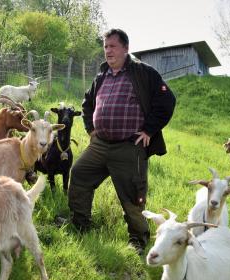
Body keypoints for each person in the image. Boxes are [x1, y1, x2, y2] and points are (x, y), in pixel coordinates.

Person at [67, 28, 176, 255]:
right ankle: (81, 223)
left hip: (129, 146)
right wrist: (91, 129)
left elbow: (167, 100)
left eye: (113, 46)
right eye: (106, 47)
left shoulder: (143, 73)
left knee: (131, 194)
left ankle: (138, 238)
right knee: (79, 174)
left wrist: (149, 130)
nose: (108, 51)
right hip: (100, 144)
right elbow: (87, 104)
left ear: (126, 48)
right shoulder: (102, 76)